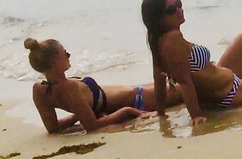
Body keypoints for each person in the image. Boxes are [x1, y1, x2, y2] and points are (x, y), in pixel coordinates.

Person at [24, 38, 178, 133]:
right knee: (186, 84)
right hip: (137, 99)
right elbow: (93, 127)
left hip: (133, 91)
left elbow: (53, 128)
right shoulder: (70, 88)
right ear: (55, 62)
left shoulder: (39, 90)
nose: (69, 56)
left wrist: (79, 115)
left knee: (176, 79)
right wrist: (126, 111)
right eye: (66, 53)